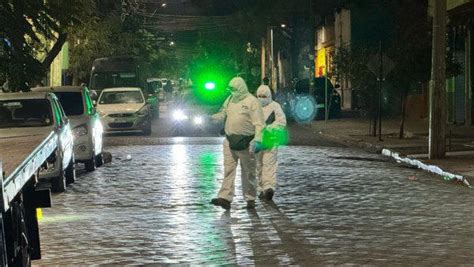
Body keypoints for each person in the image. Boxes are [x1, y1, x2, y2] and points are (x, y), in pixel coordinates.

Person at [210, 77, 265, 210]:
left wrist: (257, 140)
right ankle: (225, 198)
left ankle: (250, 198)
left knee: (248, 172)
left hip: (247, 142)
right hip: (229, 141)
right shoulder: (229, 100)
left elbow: (259, 124)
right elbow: (223, 113)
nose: (232, 92)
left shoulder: (252, 102)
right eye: (230, 89)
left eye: (234, 89)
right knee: (228, 169)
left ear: (241, 88)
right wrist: (212, 118)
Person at [255, 85, 287, 201]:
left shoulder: (275, 107)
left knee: (269, 165)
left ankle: (268, 188)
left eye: (264, 96)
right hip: (257, 142)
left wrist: (269, 128)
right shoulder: (254, 107)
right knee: (259, 166)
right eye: (260, 96)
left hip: (270, 141)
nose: (262, 98)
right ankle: (261, 189)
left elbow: (281, 122)